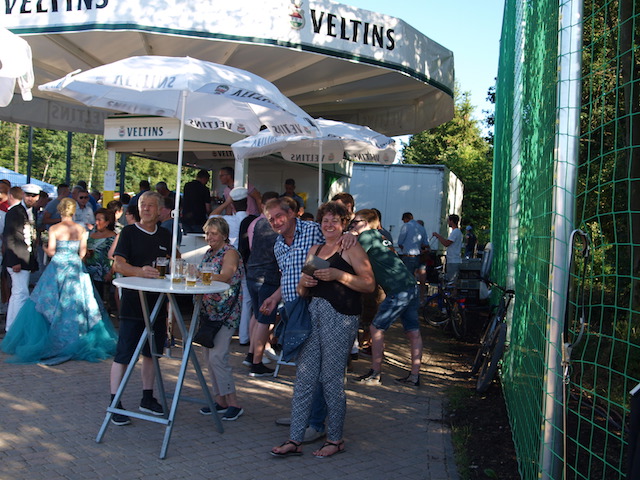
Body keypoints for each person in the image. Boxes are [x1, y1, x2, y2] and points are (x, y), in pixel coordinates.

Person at [270, 201, 374, 458]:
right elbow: (302, 290)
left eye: (334, 221)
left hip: (340, 318)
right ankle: (295, 439)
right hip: (313, 317)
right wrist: (304, 283)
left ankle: (335, 440)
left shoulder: (350, 247)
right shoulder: (316, 250)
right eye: (325, 221)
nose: (329, 225)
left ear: (343, 224)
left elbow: (369, 284)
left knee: (331, 379)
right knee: (304, 378)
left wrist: (339, 276)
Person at [1, 198, 117, 364]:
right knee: (80, 303)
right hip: (75, 268)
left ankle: (52, 335)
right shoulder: (81, 229)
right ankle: (78, 335)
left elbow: (51, 251)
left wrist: (44, 248)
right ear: (73, 211)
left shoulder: (54, 228)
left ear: (60, 211)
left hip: (58, 267)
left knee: (47, 302)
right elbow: (82, 253)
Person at [108, 191, 173, 426]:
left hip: (158, 303)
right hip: (133, 303)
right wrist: (139, 271)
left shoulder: (165, 234)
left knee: (152, 353)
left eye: (150, 205)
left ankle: (147, 397)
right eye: (142, 205)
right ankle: (115, 402)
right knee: (124, 353)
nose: (145, 209)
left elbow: (174, 259)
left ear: (160, 210)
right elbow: (118, 264)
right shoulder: (128, 232)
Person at [351, 209, 423, 386]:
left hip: (398, 289)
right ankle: (414, 376)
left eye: (355, 222)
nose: (352, 225)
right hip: (410, 285)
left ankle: (375, 373)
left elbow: (352, 258)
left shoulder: (366, 236)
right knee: (413, 332)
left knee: (376, 328)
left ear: (365, 223)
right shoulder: (380, 235)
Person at [197, 217, 245, 421]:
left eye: (214, 233)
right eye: (208, 233)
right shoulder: (209, 253)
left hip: (226, 312)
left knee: (218, 357)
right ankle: (220, 400)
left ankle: (234, 403)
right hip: (209, 311)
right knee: (209, 357)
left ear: (224, 235)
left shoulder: (230, 252)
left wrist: (198, 275)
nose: (210, 237)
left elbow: (226, 275)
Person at [245, 191, 281, 376]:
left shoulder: (258, 222)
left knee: (257, 315)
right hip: (268, 277)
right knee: (264, 320)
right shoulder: (276, 227)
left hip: (252, 273)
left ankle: (251, 355)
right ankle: (256, 364)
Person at [3, 184, 40, 332]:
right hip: (18, 258)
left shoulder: (30, 211)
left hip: (25, 258)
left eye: (33, 196)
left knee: (18, 293)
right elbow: (9, 237)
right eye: (28, 195)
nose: (30, 198)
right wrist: (15, 261)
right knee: (21, 293)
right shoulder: (15, 211)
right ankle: (16, 328)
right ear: (23, 195)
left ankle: (12, 327)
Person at [85, 208, 117, 303]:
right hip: (90, 270)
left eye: (99, 220)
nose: (96, 222)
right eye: (96, 219)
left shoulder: (113, 237)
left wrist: (110, 273)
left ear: (107, 222)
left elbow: (116, 257)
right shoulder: (91, 235)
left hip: (104, 273)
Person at [432, 214, 463, 282]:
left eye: (448, 221)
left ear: (452, 221)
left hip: (453, 260)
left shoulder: (455, 232)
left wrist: (438, 236)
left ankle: (453, 289)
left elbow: (446, 243)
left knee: (452, 281)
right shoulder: (456, 232)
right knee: (450, 279)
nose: (448, 222)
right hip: (452, 259)